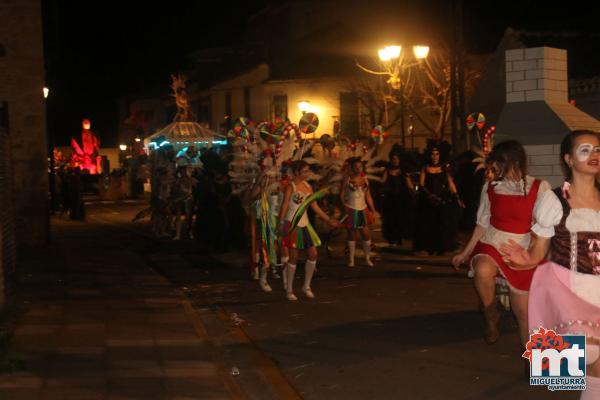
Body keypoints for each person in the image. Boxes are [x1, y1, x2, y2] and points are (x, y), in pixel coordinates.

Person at [501, 131, 600, 399]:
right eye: (585, 150)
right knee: (585, 353)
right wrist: (526, 260)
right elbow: (538, 252)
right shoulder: (555, 200)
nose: (594, 155)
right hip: (569, 288)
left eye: (598, 149)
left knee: (598, 370)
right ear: (568, 159)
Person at [452, 140, 555, 346]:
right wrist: (466, 252)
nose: (493, 168)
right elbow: (482, 223)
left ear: (511, 161)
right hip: (492, 240)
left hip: (523, 248)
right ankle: (490, 313)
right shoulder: (490, 187)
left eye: (497, 163)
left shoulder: (540, 187)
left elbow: (543, 229)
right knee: (482, 269)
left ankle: (532, 357)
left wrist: (535, 254)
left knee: (523, 311)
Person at [279, 160, 337, 301]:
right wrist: (281, 224)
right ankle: (289, 290)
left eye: (308, 170)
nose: (308, 173)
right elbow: (285, 205)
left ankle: (306, 286)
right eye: (305, 171)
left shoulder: (308, 187)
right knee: (293, 258)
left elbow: (315, 207)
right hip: (292, 225)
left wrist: (328, 219)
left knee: (313, 254)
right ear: (297, 172)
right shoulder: (290, 187)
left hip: (305, 224)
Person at [414, 144, 463, 255]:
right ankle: (429, 248)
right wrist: (429, 195)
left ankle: (442, 248)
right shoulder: (425, 168)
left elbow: (451, 184)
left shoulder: (445, 168)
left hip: (442, 200)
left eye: (437, 154)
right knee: (429, 225)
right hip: (428, 200)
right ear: (429, 155)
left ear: (440, 155)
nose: (434, 156)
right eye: (432, 154)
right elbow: (421, 184)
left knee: (442, 224)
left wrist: (457, 197)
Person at [340, 157, 377, 267]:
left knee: (366, 235)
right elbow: (342, 194)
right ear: (352, 168)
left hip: (363, 209)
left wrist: (373, 210)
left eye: (360, 166)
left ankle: (367, 258)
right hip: (351, 208)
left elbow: (368, 196)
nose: (358, 168)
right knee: (352, 235)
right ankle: (351, 259)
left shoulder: (365, 179)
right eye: (356, 167)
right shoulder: (347, 179)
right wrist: (344, 206)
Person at [381, 151, 415, 247]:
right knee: (391, 219)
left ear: (399, 160)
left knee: (401, 218)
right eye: (393, 159)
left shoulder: (403, 171)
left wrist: (414, 192)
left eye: (397, 159)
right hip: (391, 199)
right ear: (391, 160)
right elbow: (382, 181)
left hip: (402, 198)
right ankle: (393, 238)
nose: (395, 161)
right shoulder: (387, 170)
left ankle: (400, 238)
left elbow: (409, 184)